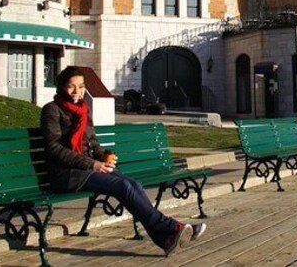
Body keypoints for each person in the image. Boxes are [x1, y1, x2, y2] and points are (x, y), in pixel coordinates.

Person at [41, 66, 205, 256]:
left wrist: (103, 156)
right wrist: (92, 164)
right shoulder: (51, 111)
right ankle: (172, 228)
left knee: (133, 183)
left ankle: (166, 237)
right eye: (71, 87)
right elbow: (54, 149)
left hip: (87, 169)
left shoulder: (83, 110)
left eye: (81, 86)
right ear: (61, 87)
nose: (77, 92)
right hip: (66, 174)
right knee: (123, 187)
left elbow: (92, 142)